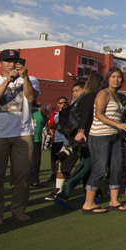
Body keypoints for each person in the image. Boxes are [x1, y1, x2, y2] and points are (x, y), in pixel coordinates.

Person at [0, 49, 40, 225]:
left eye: (16, 60)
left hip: (23, 134)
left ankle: (18, 210)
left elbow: (31, 99)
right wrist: (8, 81)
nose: (13, 64)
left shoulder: (31, 79)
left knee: (22, 175)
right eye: (8, 61)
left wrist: (25, 78)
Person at [81, 67, 126, 214]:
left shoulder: (117, 96)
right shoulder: (103, 93)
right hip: (100, 136)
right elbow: (98, 114)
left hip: (115, 136)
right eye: (113, 77)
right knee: (99, 168)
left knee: (116, 168)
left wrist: (121, 132)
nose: (116, 80)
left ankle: (114, 201)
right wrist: (118, 125)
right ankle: (88, 203)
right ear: (108, 78)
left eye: (119, 77)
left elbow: (116, 116)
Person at [53, 75, 102, 210]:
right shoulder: (91, 96)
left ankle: (88, 194)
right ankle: (64, 194)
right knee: (86, 165)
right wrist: (81, 131)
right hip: (86, 135)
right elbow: (86, 116)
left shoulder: (82, 98)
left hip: (81, 135)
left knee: (88, 166)